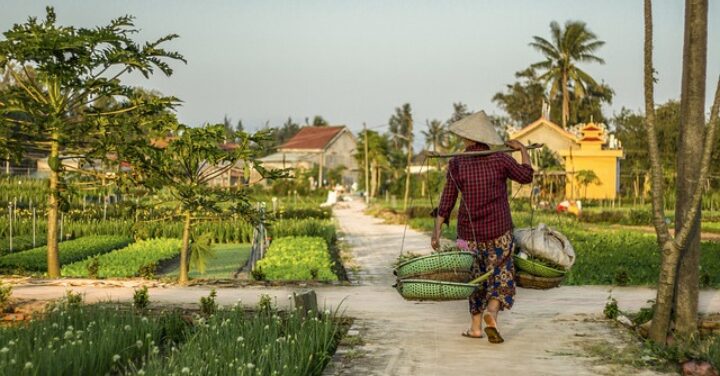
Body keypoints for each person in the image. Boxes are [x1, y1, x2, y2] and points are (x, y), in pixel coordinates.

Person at [431, 111, 534, 344]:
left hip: (466, 235)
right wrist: (523, 150)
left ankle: (476, 327)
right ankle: (492, 312)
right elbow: (526, 176)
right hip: (499, 231)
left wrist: (436, 230)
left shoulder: (457, 163)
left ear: (468, 139)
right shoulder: (501, 159)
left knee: (474, 278)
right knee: (501, 273)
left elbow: (447, 200)